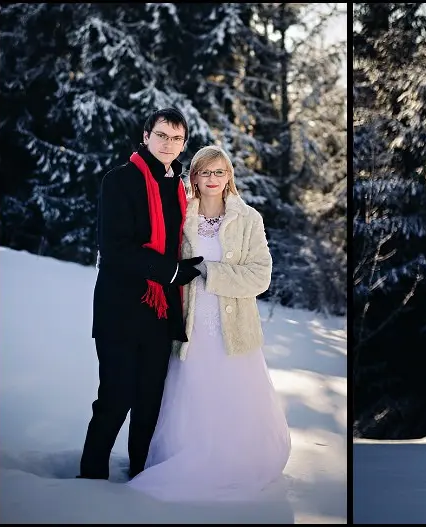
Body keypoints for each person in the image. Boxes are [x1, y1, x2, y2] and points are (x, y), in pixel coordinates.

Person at [125, 144, 291, 502]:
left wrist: (209, 272)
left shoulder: (248, 219)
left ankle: (236, 461)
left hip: (234, 327)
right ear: (194, 177)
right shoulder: (181, 216)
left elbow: (260, 277)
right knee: (191, 392)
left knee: (233, 394)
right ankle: (183, 458)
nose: (212, 179)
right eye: (205, 172)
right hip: (188, 323)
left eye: (219, 172)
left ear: (229, 176)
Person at [80, 108, 203, 481]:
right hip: (120, 308)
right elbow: (115, 248)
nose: (169, 144)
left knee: (150, 402)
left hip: (161, 312)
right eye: (162, 135)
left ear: (183, 144)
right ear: (146, 135)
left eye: (176, 138)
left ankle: (140, 474)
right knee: (116, 398)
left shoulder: (179, 187)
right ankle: (91, 475)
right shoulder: (119, 180)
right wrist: (171, 272)